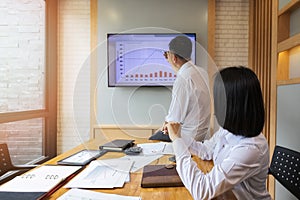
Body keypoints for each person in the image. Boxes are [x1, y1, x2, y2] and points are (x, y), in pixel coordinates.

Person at [166, 66, 272, 200]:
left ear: (233, 105)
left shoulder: (250, 148)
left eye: (218, 99)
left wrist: (176, 141)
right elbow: (206, 150)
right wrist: (179, 135)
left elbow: (202, 190)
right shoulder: (229, 130)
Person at [160, 35, 211, 141]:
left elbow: (174, 119)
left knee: (153, 138)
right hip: (203, 135)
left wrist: (165, 124)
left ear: (174, 58)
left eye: (168, 55)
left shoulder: (182, 80)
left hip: (186, 138)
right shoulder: (202, 72)